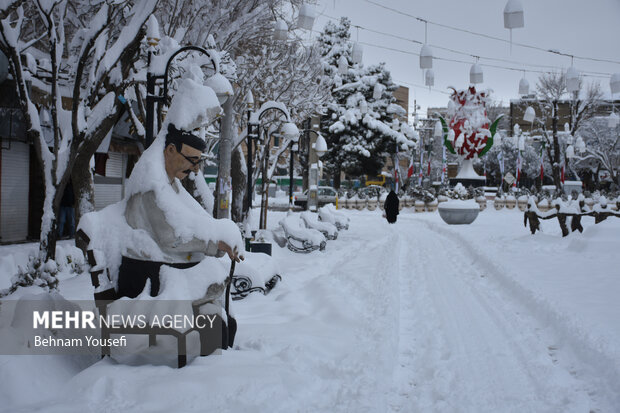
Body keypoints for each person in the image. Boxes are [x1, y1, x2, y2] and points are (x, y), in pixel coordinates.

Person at [118, 123, 241, 352]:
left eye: (199, 161)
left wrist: (219, 233)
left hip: (164, 269)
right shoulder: (151, 186)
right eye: (192, 160)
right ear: (171, 150)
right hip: (146, 276)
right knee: (217, 325)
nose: (195, 169)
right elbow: (171, 237)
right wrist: (215, 243)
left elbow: (193, 216)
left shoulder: (170, 182)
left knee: (225, 321)